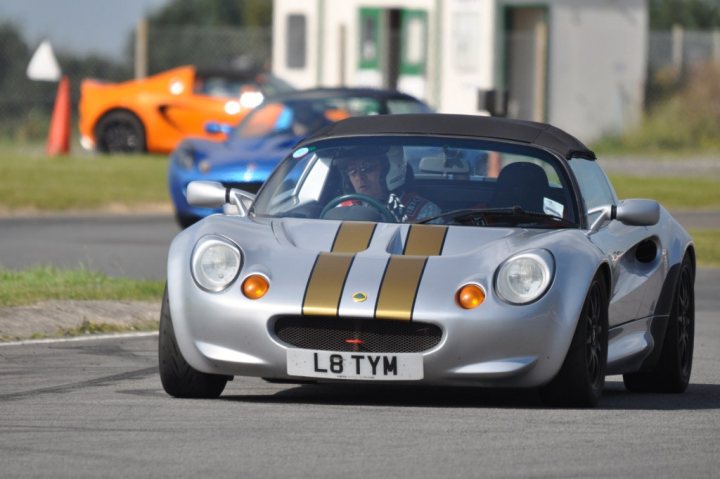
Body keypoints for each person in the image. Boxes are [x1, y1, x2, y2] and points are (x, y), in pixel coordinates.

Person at [335, 146, 441, 222]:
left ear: (389, 170)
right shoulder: (341, 210)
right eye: (352, 170)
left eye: (367, 168)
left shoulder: (423, 212)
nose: (358, 177)